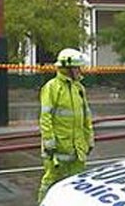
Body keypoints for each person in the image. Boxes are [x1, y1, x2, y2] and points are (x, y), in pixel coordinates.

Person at [37, 48, 95, 203]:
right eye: (77, 67)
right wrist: (50, 143)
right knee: (51, 182)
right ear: (67, 68)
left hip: (77, 149)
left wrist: (89, 140)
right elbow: (45, 117)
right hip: (58, 149)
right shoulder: (52, 88)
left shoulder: (79, 88)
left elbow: (86, 117)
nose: (79, 70)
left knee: (76, 184)